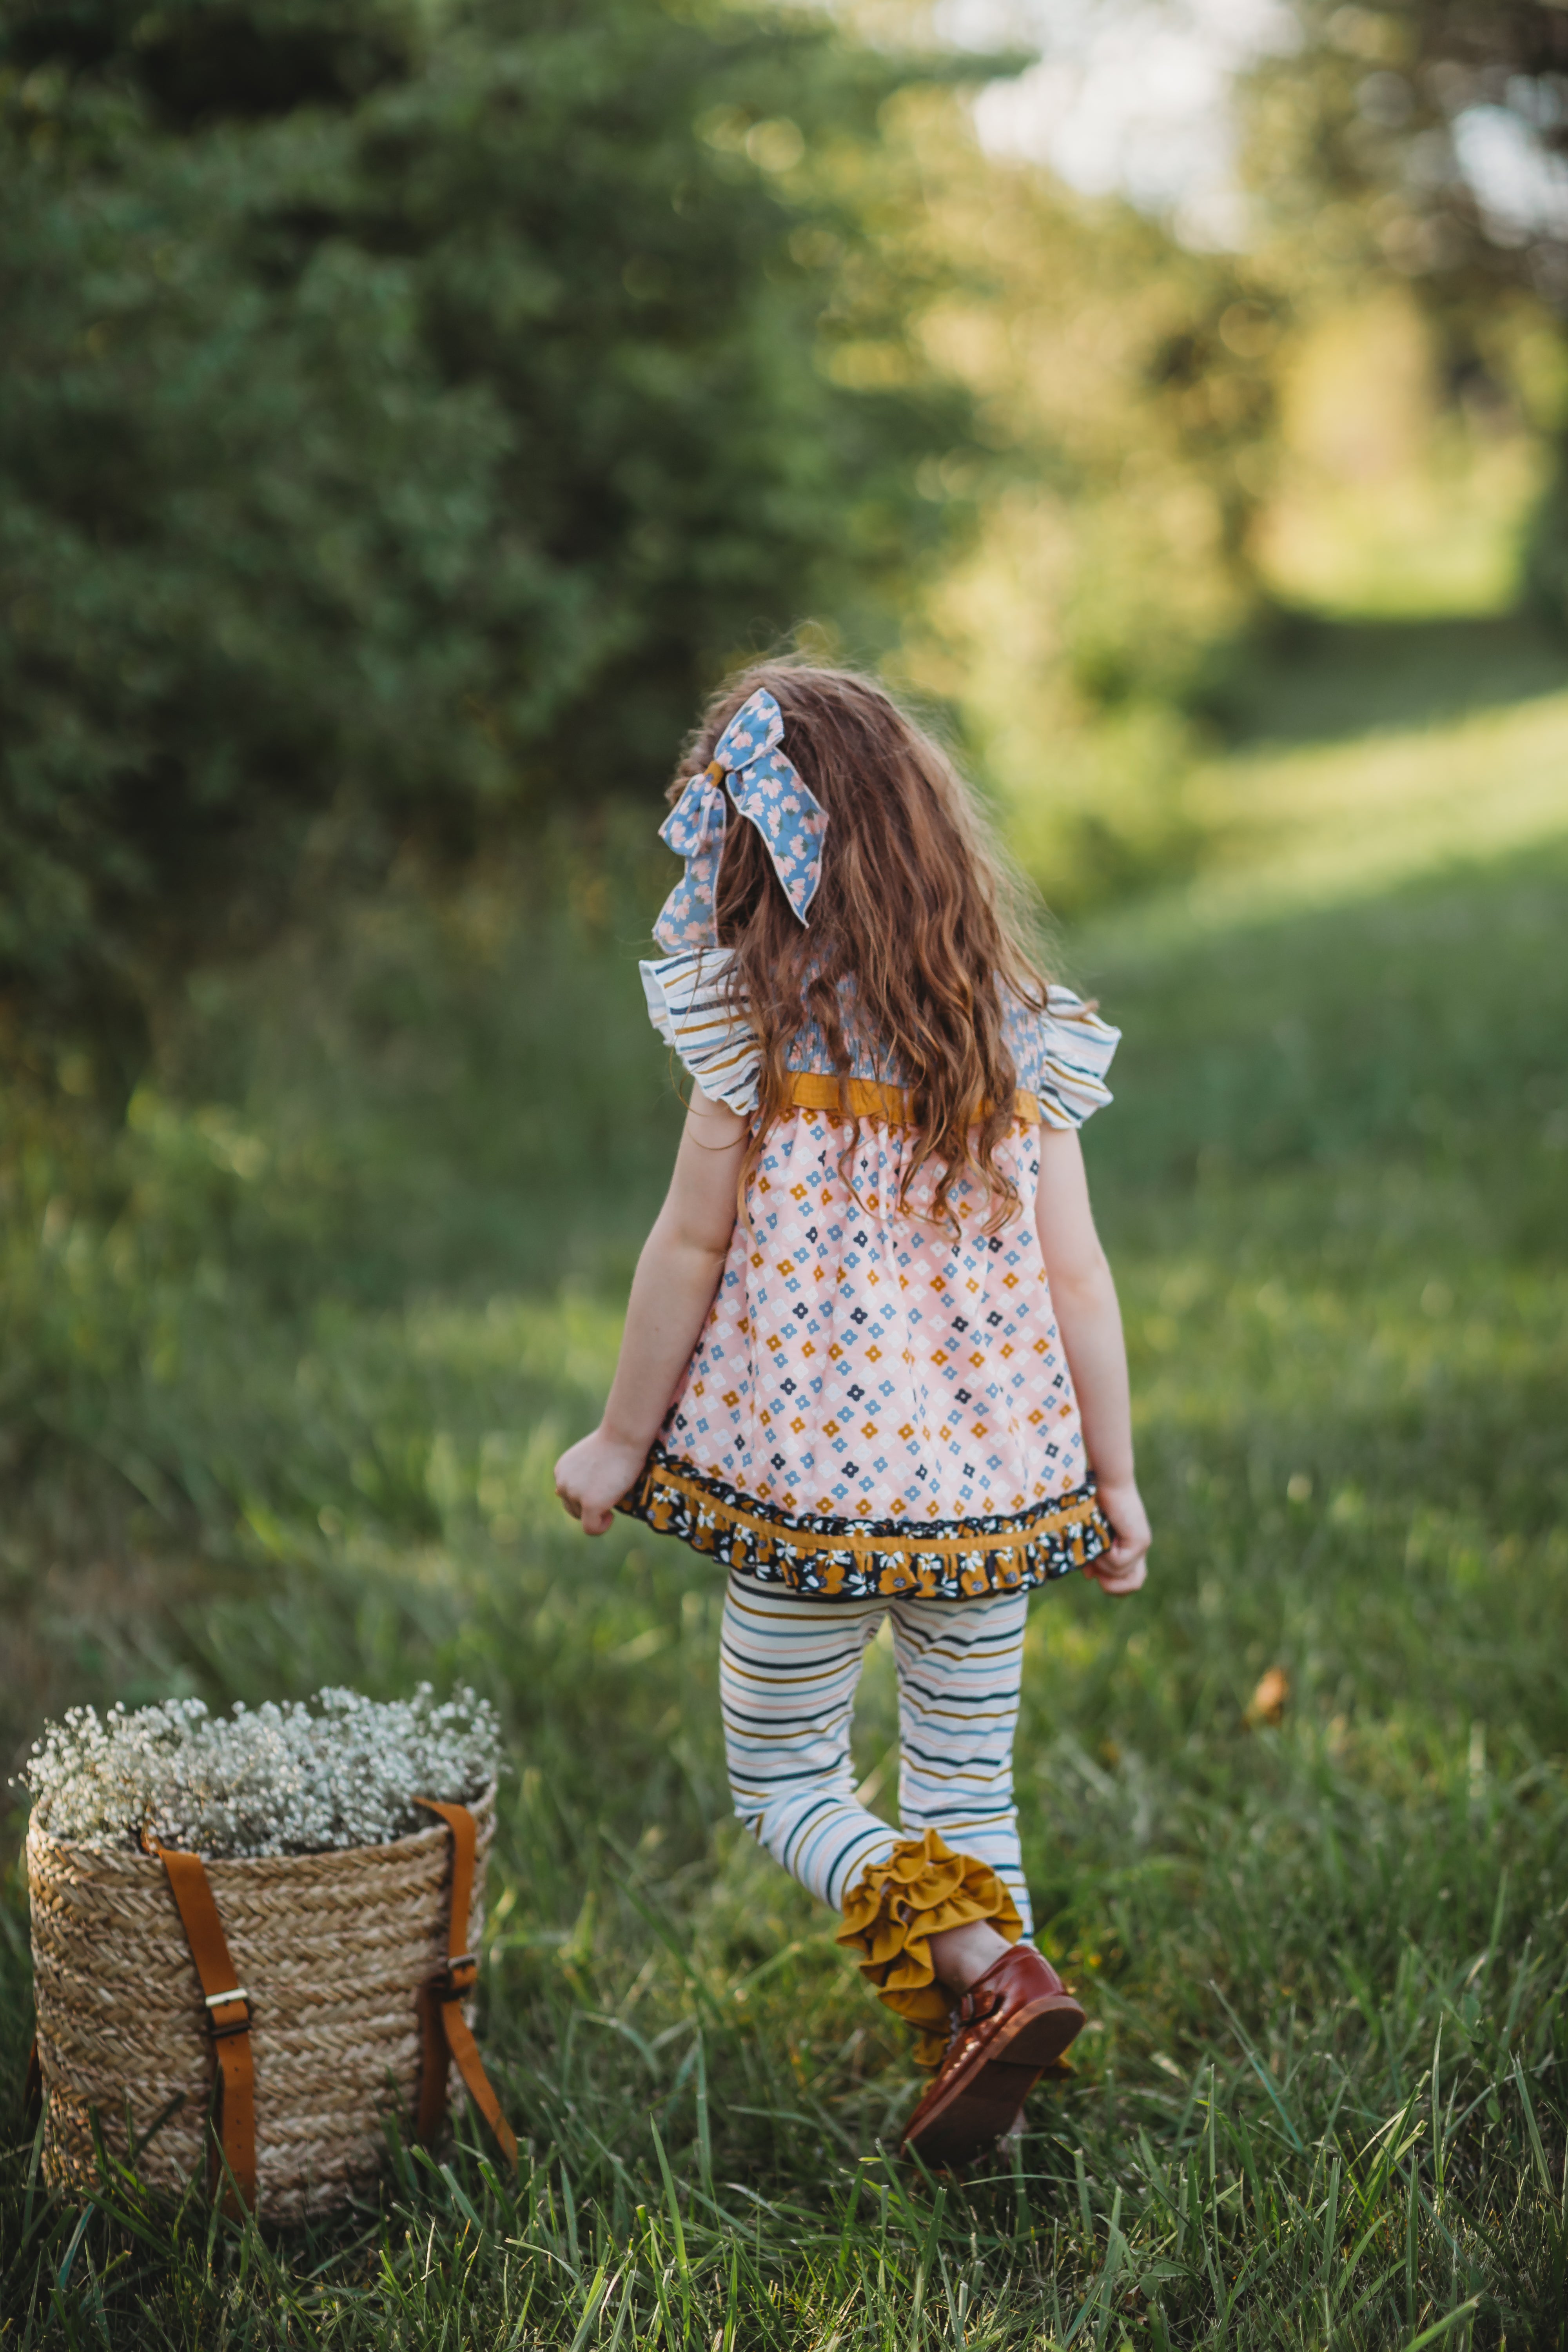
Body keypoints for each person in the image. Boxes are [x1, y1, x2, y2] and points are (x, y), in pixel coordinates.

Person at [554, 664, 1150, 2166]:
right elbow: (1079, 1278)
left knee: (786, 1779)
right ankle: (999, 2065)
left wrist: (620, 1443)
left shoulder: (751, 1032)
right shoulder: (1018, 1033)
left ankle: (986, 1978)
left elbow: (687, 1246)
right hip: (996, 1497)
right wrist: (1115, 1477)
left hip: (806, 1494)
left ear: (753, 865)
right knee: (966, 1788)